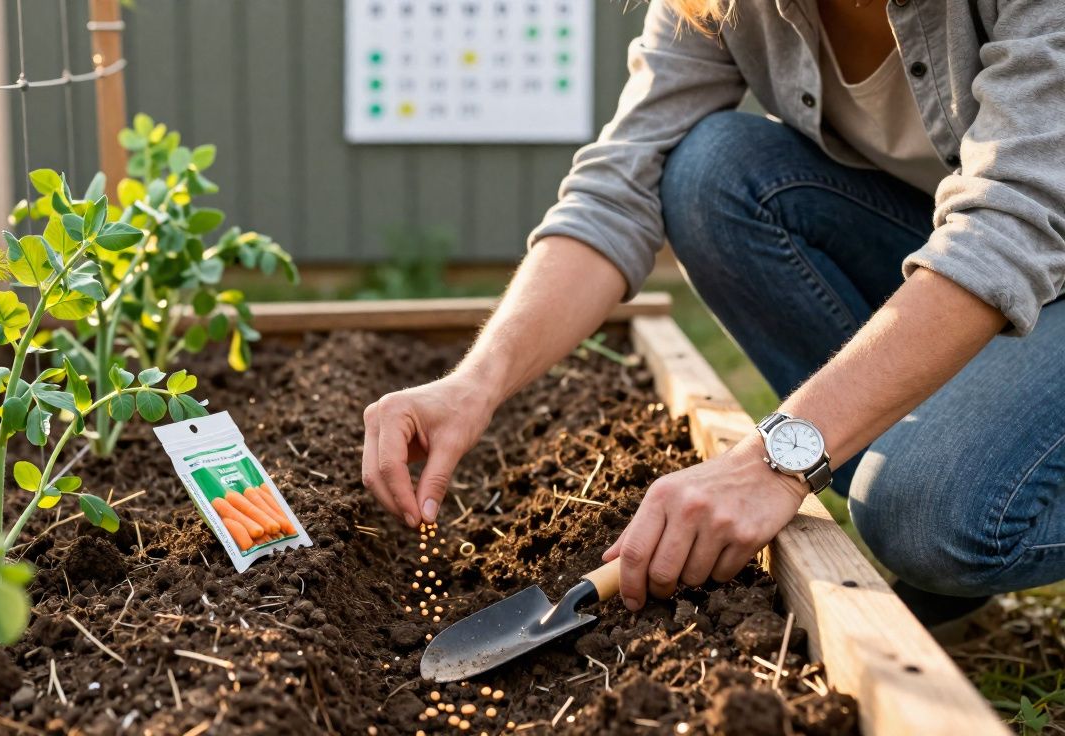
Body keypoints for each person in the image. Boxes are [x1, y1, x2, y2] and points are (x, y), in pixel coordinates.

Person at [361, 0, 1065, 626]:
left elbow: (1011, 226)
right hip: (955, 248)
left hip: (1034, 250)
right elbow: (620, 183)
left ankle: (967, 491)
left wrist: (770, 462)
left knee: (925, 514)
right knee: (711, 172)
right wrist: (473, 383)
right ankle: (962, 459)